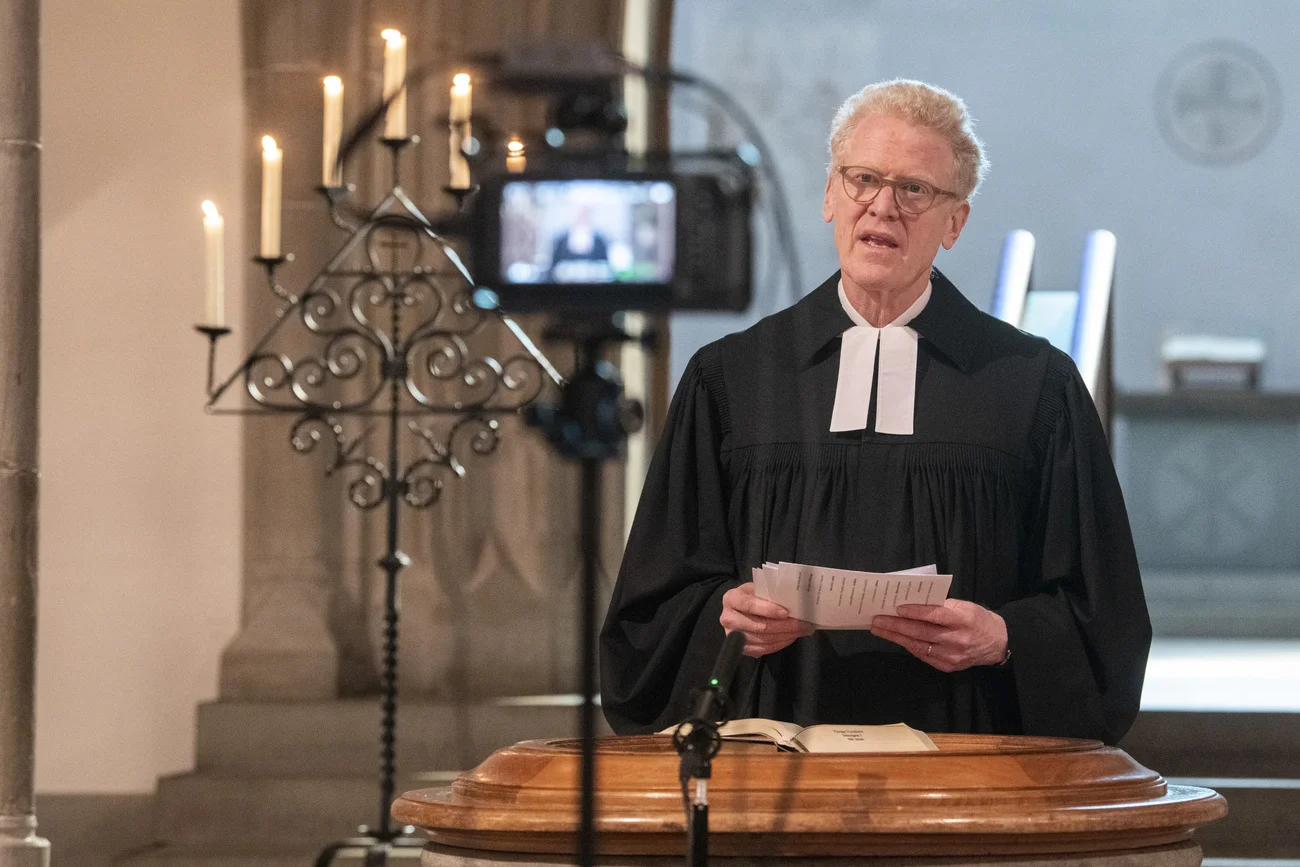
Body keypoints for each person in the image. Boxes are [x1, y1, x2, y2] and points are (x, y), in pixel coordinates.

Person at [599, 79, 1150, 744]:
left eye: (915, 189)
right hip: (770, 757)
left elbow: (1103, 616)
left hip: (965, 763)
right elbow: (651, 609)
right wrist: (725, 612)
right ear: (830, 195)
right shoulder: (734, 377)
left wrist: (1003, 638)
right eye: (862, 179)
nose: (883, 206)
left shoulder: (1033, 384)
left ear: (956, 222)